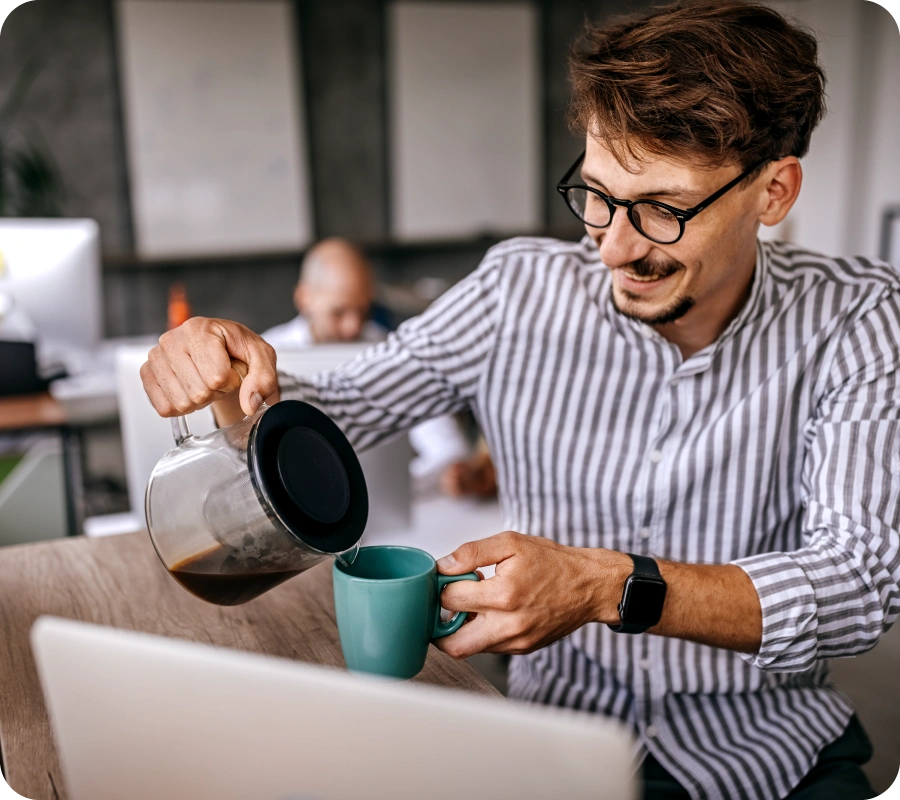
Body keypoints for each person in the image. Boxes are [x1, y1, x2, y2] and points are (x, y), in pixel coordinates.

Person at [140, 2, 898, 797]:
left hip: (767, 750)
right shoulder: (517, 289)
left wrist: (609, 585)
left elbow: (860, 582)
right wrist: (231, 376)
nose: (613, 245)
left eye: (663, 211)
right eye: (597, 194)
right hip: (552, 746)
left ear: (773, 191)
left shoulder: (858, 317)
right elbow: (343, 411)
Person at [262, 237, 470, 488]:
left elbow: (448, 447)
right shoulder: (269, 356)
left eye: (363, 311)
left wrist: (409, 483)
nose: (353, 326)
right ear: (304, 297)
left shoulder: (389, 348)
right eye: (338, 312)